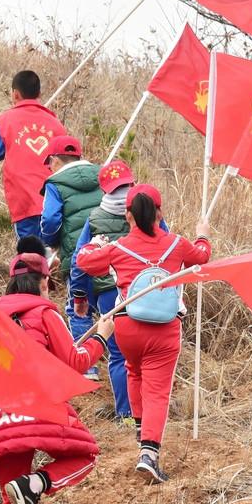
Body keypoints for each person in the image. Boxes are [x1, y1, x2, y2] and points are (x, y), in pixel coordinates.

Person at [0, 253, 111, 504]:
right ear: (43, 281)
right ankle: (37, 484)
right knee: (85, 455)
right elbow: (75, 362)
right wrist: (102, 338)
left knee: (12, 499)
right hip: (37, 406)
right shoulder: (45, 312)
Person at [75, 184, 210, 483]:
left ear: (128, 216)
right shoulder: (177, 244)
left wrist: (94, 244)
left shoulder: (118, 247)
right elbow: (202, 257)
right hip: (164, 329)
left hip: (127, 328)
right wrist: (202, 233)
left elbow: (84, 261)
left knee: (133, 372)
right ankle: (148, 454)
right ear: (159, 213)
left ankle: (141, 431)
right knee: (158, 391)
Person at [66, 159, 138, 421]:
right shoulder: (147, 212)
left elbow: (78, 261)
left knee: (118, 355)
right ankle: (147, 413)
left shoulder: (94, 218)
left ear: (104, 190)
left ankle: (125, 415)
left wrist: (80, 295)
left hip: (108, 293)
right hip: (145, 291)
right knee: (145, 355)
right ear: (132, 183)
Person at [39, 135, 102, 366]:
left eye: (48, 163)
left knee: (78, 308)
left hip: (77, 258)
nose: (48, 168)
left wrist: (52, 243)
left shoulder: (55, 184)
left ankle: (88, 366)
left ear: (55, 160)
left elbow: (50, 221)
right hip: (113, 254)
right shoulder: (104, 174)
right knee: (111, 306)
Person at [0, 71, 67, 244]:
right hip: (53, 201)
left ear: (15, 94)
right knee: (51, 253)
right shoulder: (55, 123)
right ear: (39, 93)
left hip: (22, 199)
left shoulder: (5, 119)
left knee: (29, 254)